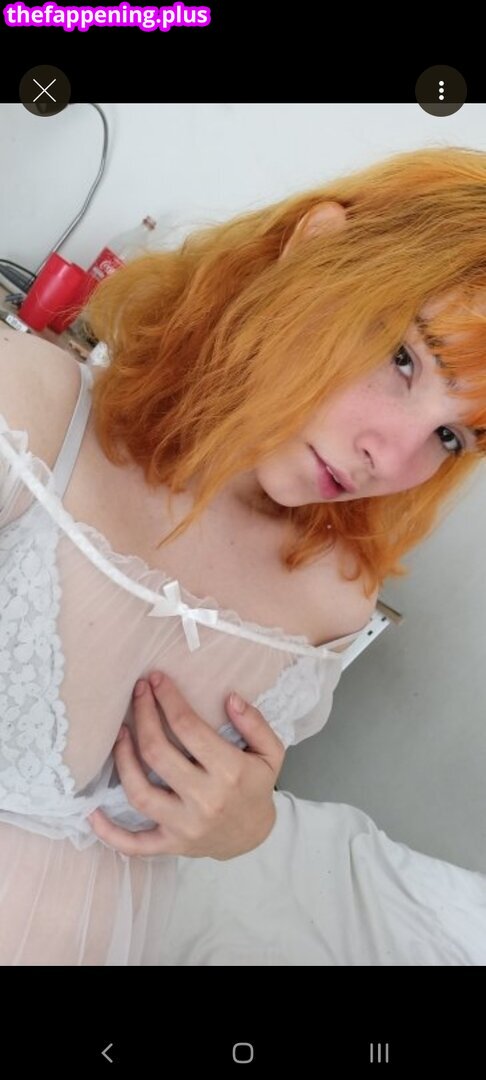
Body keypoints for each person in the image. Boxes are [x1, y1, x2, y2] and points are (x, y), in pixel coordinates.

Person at [1, 144, 486, 965]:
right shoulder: (31, 419)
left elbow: (222, 808)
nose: (392, 456)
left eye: (452, 437)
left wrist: (245, 828)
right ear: (313, 252)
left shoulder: (333, 602)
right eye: (402, 358)